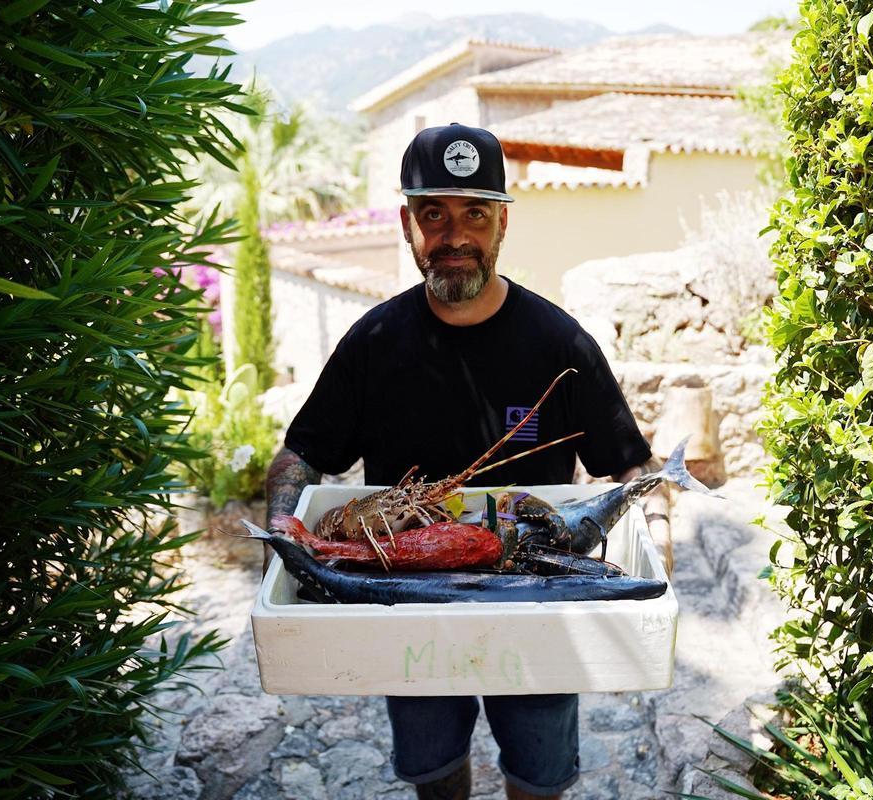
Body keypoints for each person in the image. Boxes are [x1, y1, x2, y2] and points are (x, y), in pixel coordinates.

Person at [265, 122, 651, 800]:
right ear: (406, 225)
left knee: (539, 773)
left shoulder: (561, 343)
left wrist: (652, 532)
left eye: (475, 213)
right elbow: (300, 456)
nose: (454, 235)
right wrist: (281, 531)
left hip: (535, 601)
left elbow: (626, 467)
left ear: (502, 223)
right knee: (433, 769)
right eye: (433, 214)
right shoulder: (373, 342)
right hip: (406, 604)